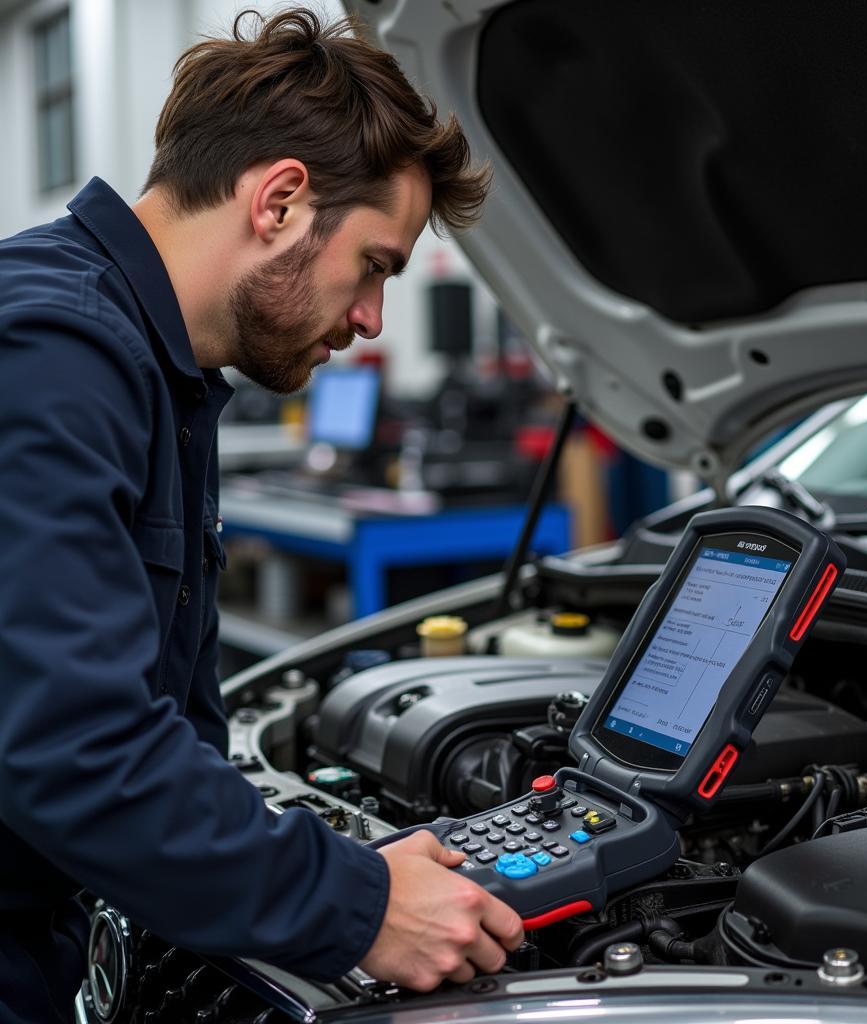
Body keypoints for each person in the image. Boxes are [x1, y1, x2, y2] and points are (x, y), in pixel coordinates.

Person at [0, 9, 522, 1022]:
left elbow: (167, 727)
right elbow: (69, 743)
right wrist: (356, 904)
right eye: (375, 264)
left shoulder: (160, 371)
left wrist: (327, 859)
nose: (372, 320)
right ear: (280, 201)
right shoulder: (51, 352)